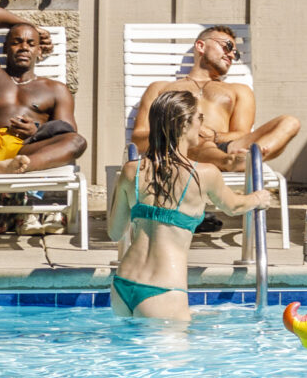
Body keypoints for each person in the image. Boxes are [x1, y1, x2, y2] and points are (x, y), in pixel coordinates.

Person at [108, 89, 271, 320]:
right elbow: (233, 206)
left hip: (123, 285)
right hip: (163, 290)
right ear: (184, 125)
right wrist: (258, 198)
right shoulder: (203, 174)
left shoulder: (131, 170)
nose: (203, 126)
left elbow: (115, 233)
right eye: (200, 118)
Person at [0, 0, 87, 232]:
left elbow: (68, 132)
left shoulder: (55, 89)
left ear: (39, 51)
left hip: (25, 150)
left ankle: (18, 167)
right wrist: (34, 27)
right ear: (4, 48)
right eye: (16, 42)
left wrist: (39, 130)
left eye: (31, 43)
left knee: (78, 142)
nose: (24, 47)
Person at [129, 25, 301, 176]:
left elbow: (242, 133)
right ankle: (234, 163)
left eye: (236, 53)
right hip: (176, 149)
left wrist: (215, 136)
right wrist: (181, 133)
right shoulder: (160, 88)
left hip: (228, 148)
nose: (232, 55)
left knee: (290, 122)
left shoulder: (239, 90)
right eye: (227, 46)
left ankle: (248, 158)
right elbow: (138, 138)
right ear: (201, 46)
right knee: (195, 139)